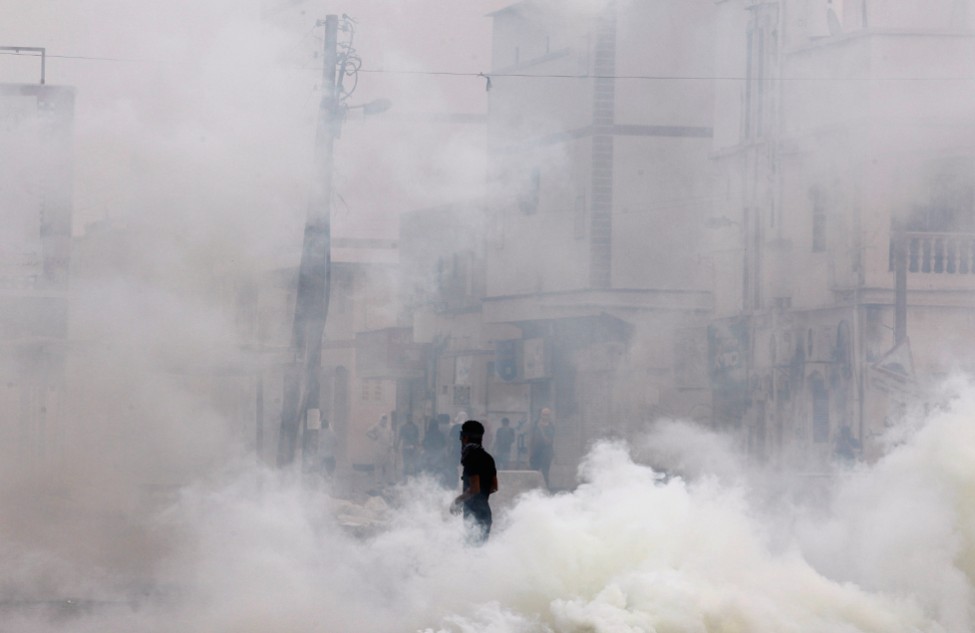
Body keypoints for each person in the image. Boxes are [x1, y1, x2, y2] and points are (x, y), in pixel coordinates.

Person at [451, 420, 498, 544]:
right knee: (480, 550)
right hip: (485, 512)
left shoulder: (471, 458)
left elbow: (475, 488)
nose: (461, 441)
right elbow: (494, 487)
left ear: (465, 437)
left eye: (461, 438)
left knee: (472, 550)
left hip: (474, 514)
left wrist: (458, 500)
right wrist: (482, 497)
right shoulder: (488, 458)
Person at [530, 407, 556, 488]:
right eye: (543, 414)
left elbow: (548, 441)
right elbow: (531, 439)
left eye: (547, 415)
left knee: (545, 473)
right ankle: (533, 491)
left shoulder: (551, 427)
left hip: (546, 453)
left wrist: (541, 429)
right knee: (534, 472)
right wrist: (530, 453)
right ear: (540, 415)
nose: (545, 416)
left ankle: (545, 491)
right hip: (536, 452)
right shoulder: (535, 425)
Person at [367, 415, 394, 484]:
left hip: (387, 449)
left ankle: (390, 480)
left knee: (389, 464)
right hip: (378, 448)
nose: (384, 420)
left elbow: (391, 437)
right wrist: (374, 437)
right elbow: (368, 432)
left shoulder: (388, 427)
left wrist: (391, 445)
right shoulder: (376, 426)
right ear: (380, 419)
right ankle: (378, 481)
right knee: (378, 465)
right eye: (383, 419)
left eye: (385, 419)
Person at [397, 415, 420, 479]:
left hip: (412, 446)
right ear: (407, 419)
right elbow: (399, 437)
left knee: (414, 462)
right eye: (408, 418)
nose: (409, 419)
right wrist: (397, 445)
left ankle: (415, 476)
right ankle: (406, 477)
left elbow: (417, 438)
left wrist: (418, 446)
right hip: (406, 446)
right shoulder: (404, 427)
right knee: (406, 463)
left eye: (410, 418)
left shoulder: (415, 427)